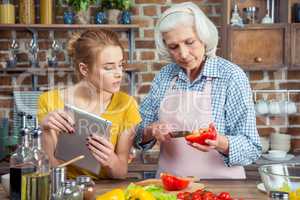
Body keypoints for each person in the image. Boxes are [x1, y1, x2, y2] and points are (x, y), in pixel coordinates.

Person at [135, 2, 262, 179]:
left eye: (189, 42)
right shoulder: (164, 76)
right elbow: (137, 135)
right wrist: (150, 131)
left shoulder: (231, 76)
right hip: (169, 189)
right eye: (173, 47)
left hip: (221, 189)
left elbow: (252, 148)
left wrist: (220, 142)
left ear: (204, 37)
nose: (184, 53)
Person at [38, 29, 141, 179]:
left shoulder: (127, 104)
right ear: (84, 69)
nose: (119, 73)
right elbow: (50, 169)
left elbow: (120, 173)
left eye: (121, 65)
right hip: (65, 190)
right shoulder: (49, 101)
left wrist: (111, 159)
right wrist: (46, 131)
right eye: (109, 67)